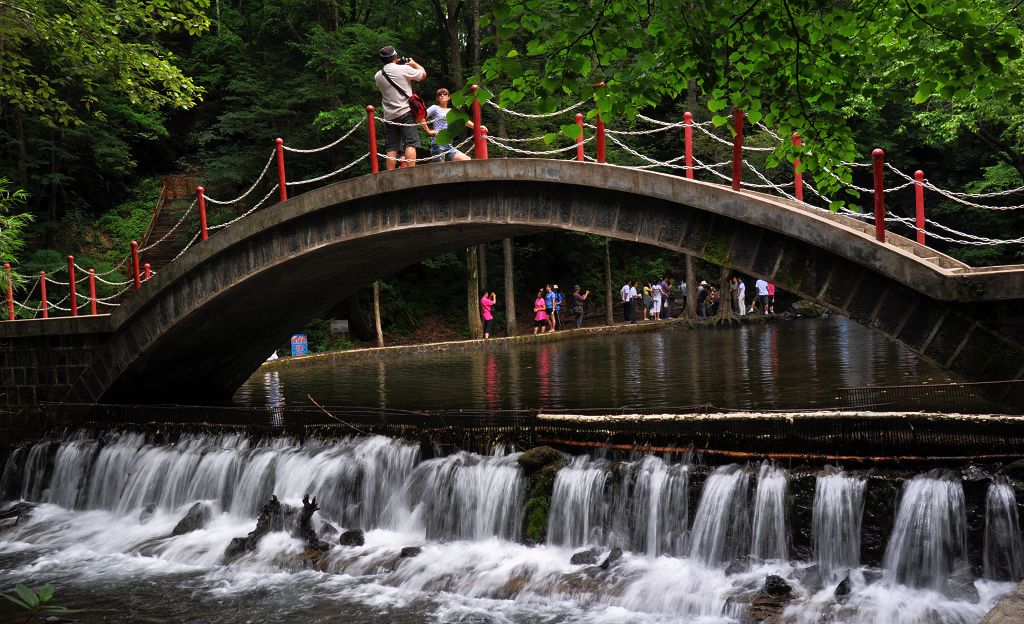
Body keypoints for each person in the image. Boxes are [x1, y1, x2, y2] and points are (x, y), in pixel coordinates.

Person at [374, 46, 426, 170]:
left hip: (389, 116)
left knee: (391, 147)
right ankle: (411, 170)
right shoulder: (403, 69)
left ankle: (390, 175)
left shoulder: (378, 76)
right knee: (410, 143)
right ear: (395, 57)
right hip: (405, 112)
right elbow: (423, 74)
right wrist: (414, 64)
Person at [420, 88, 484, 162]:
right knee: (440, 168)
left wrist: (478, 127)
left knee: (466, 159)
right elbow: (421, 116)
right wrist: (429, 131)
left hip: (449, 143)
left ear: (449, 97)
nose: (442, 95)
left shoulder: (451, 111)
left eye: (445, 94)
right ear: (437, 98)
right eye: (439, 94)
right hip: (438, 141)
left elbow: (464, 121)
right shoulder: (435, 108)